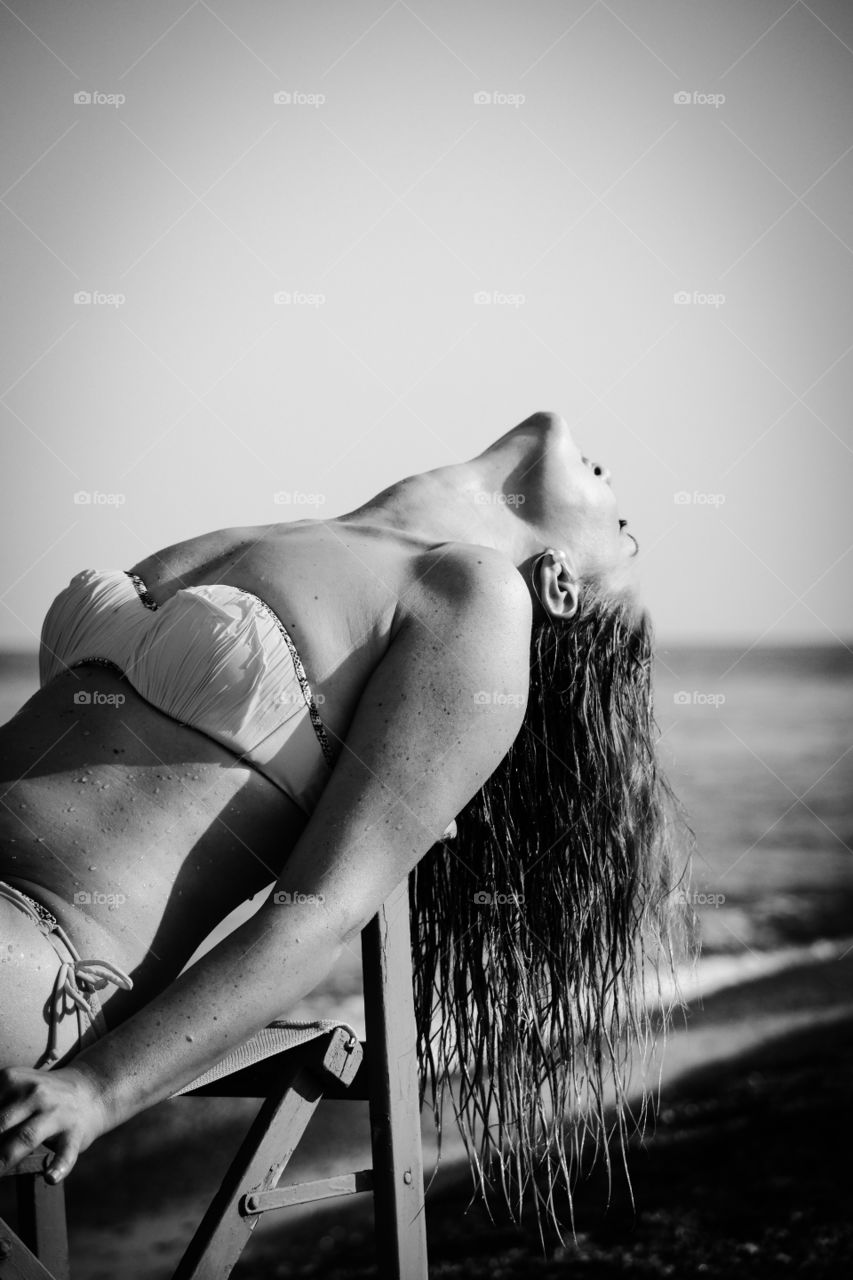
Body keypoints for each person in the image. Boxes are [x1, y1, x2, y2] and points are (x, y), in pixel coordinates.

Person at [0, 410, 691, 1238]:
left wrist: (101, 1089)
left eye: (625, 532)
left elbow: (322, 911)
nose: (622, 502)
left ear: (560, 588)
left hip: (39, 952)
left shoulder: (470, 595)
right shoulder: (269, 533)